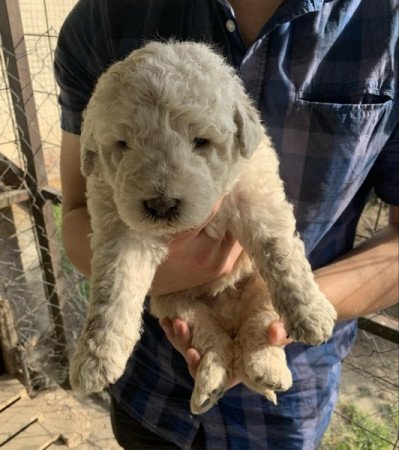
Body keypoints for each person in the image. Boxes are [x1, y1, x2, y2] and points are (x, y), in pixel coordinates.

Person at [54, 0, 399, 448]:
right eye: (123, 143)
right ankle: (211, 352)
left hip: (287, 399)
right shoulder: (103, 15)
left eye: (200, 140)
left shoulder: (386, 22)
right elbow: (80, 208)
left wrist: (283, 308)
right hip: (149, 390)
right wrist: (152, 277)